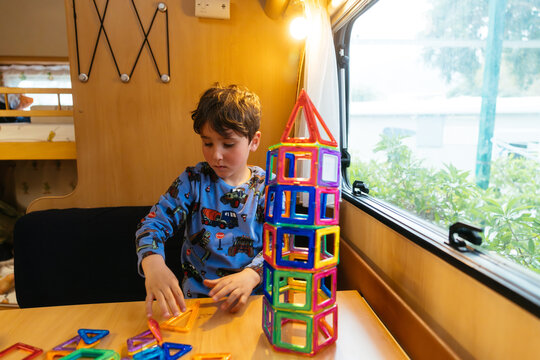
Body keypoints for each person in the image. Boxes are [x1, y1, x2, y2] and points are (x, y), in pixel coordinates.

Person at [136, 84, 266, 318]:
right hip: (196, 305)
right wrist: (153, 263)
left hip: (254, 304)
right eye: (207, 143)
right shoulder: (193, 181)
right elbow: (151, 225)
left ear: (254, 141)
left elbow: (283, 244)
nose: (216, 155)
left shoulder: (268, 188)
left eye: (228, 144)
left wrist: (252, 274)